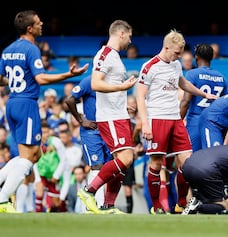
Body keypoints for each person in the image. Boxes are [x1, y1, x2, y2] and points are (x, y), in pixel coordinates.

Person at [0, 10, 88, 213]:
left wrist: (14, 82)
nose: (43, 25)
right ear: (29, 28)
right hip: (27, 104)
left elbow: (0, 78)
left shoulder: (7, 50)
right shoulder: (32, 49)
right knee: (28, 158)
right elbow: (40, 79)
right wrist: (68, 74)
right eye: (39, 23)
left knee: (34, 154)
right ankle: (3, 199)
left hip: (12, 103)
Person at [136, 29, 217, 214]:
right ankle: (156, 206)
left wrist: (203, 93)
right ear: (166, 47)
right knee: (156, 164)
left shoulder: (176, 64)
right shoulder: (150, 67)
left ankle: (181, 203)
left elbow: (182, 83)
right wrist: (145, 123)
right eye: (176, 53)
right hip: (157, 119)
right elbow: (140, 97)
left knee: (188, 163)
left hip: (176, 119)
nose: (179, 56)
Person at [76, 19, 138, 214]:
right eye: (129, 35)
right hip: (110, 117)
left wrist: (123, 102)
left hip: (119, 114)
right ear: (121, 33)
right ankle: (89, 191)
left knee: (122, 163)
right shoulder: (105, 54)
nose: (130, 40)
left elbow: (108, 87)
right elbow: (95, 83)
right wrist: (123, 87)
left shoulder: (115, 56)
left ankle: (108, 205)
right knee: (126, 158)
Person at [64, 75, 113, 210]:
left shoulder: (111, 81)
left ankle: (104, 204)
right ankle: (96, 204)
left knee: (108, 168)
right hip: (92, 131)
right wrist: (81, 120)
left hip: (108, 129)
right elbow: (70, 100)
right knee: (96, 166)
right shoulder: (89, 81)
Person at [180, 43, 228, 152]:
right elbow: (224, 104)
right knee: (211, 157)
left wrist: (178, 122)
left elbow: (186, 101)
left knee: (191, 158)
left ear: (196, 57)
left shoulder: (192, 74)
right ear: (211, 58)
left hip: (195, 121)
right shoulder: (221, 77)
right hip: (214, 123)